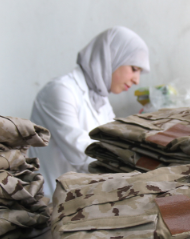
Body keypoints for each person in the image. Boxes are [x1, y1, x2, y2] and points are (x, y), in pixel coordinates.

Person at [29, 26, 150, 198]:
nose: (136, 80)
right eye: (134, 68)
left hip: (81, 199)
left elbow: (114, 145)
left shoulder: (101, 101)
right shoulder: (61, 91)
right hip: (50, 204)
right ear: (112, 57)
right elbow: (85, 157)